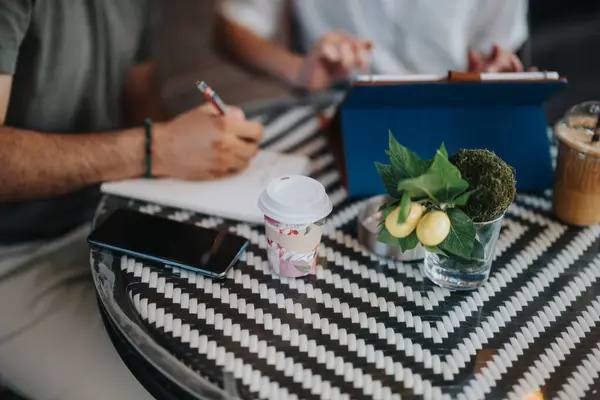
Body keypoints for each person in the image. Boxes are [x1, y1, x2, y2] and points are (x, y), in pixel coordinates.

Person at [0, 1, 262, 399]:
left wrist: (199, 144)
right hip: (15, 253)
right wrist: (157, 147)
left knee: (247, 350)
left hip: (115, 223)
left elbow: (140, 102)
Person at [215, 0, 530, 91]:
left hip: (451, 99)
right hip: (338, 102)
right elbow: (230, 29)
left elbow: (501, 47)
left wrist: (489, 75)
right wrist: (298, 71)